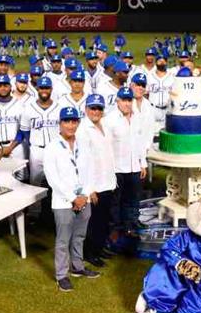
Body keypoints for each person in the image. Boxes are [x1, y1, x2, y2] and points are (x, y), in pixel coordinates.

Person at [43, 106, 101, 292]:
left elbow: (91, 171)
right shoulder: (52, 147)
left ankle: (77, 267)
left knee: (79, 236)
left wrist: (85, 194)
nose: (70, 125)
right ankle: (61, 275)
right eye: (66, 121)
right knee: (63, 240)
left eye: (74, 121)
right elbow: (53, 179)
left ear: (78, 123)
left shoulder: (83, 144)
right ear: (60, 124)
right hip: (63, 202)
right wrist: (72, 198)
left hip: (84, 199)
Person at [104, 87, 148, 246]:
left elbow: (140, 142)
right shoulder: (109, 120)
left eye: (129, 100)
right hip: (117, 168)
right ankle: (115, 229)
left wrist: (143, 163)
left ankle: (130, 226)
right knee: (116, 202)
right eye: (124, 100)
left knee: (133, 199)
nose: (127, 103)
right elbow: (106, 147)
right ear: (117, 101)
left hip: (134, 166)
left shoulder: (138, 117)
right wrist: (108, 169)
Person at [81, 94, 117, 266]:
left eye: (99, 108)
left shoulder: (105, 126)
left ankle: (100, 247)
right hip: (94, 185)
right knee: (93, 222)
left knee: (104, 219)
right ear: (86, 109)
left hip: (107, 181)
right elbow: (84, 162)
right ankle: (90, 253)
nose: (96, 111)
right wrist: (89, 189)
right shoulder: (83, 130)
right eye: (93, 108)